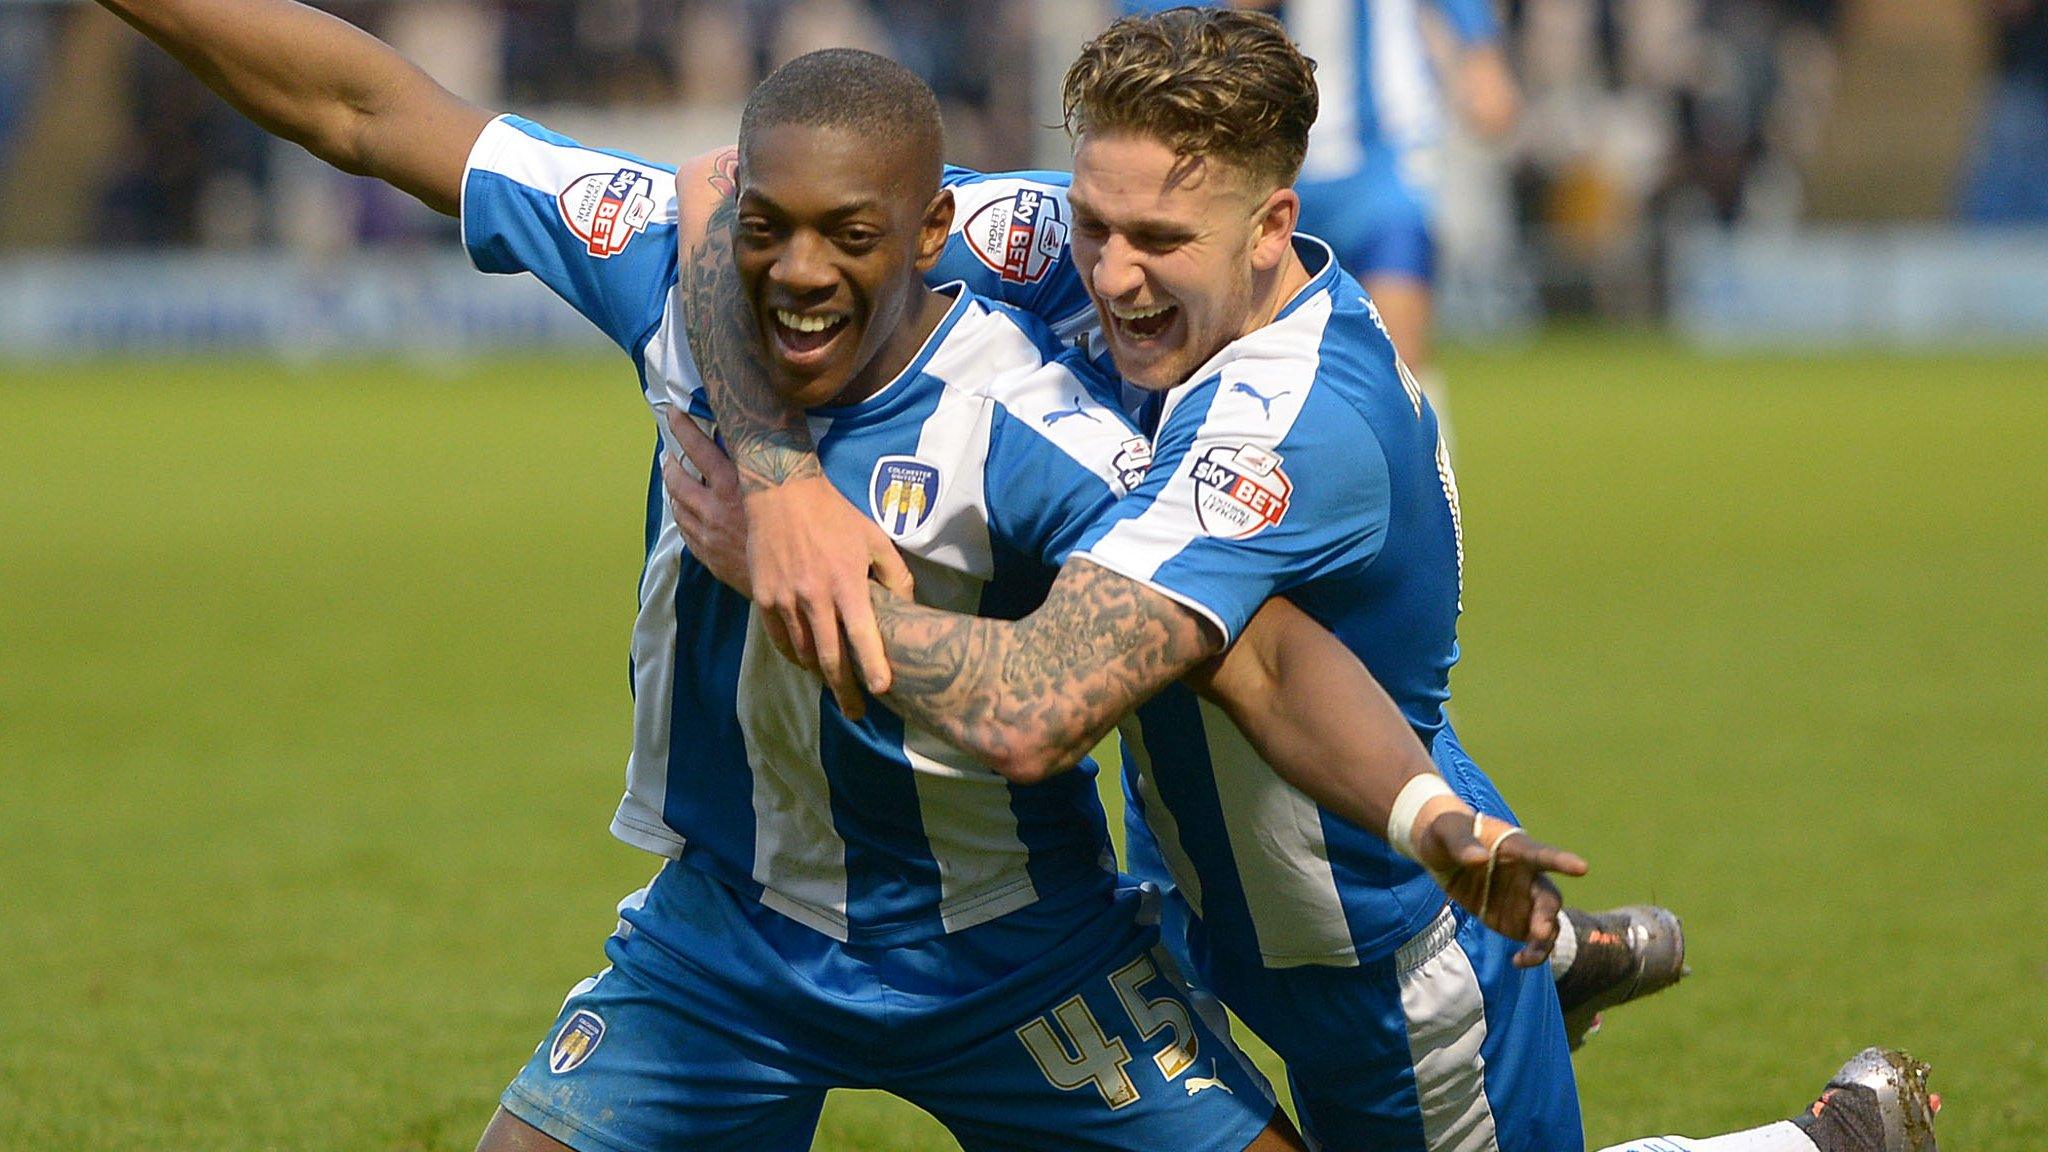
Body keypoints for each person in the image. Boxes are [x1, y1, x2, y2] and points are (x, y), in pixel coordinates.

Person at [96, 4, 1587, 1150]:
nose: (800, 271)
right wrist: (775, 458)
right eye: (768, 228)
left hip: (1022, 956)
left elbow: (1239, 657)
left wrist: (1422, 810)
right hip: (722, 938)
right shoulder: (699, 274)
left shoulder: (1049, 426)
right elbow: (368, 107)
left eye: (849, 238)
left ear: (927, 236)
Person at [680, 9, 1940, 1152]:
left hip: (1363, 953)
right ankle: (1564, 960)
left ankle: (1825, 1136)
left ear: (1272, 226)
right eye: (1092, 222)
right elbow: (712, 198)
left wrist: (779, 554)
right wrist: (784, 470)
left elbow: (1035, 703)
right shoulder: (1100, 232)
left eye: (1156, 241)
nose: (1106, 274)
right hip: (1189, 900)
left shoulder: (1287, 430)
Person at [1122, 0, 1521, 446]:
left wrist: (1479, 50)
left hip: (1382, 160)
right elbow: (1150, 24)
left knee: (1394, 366)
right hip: (1260, 167)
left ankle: (1419, 501)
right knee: (1238, 359)